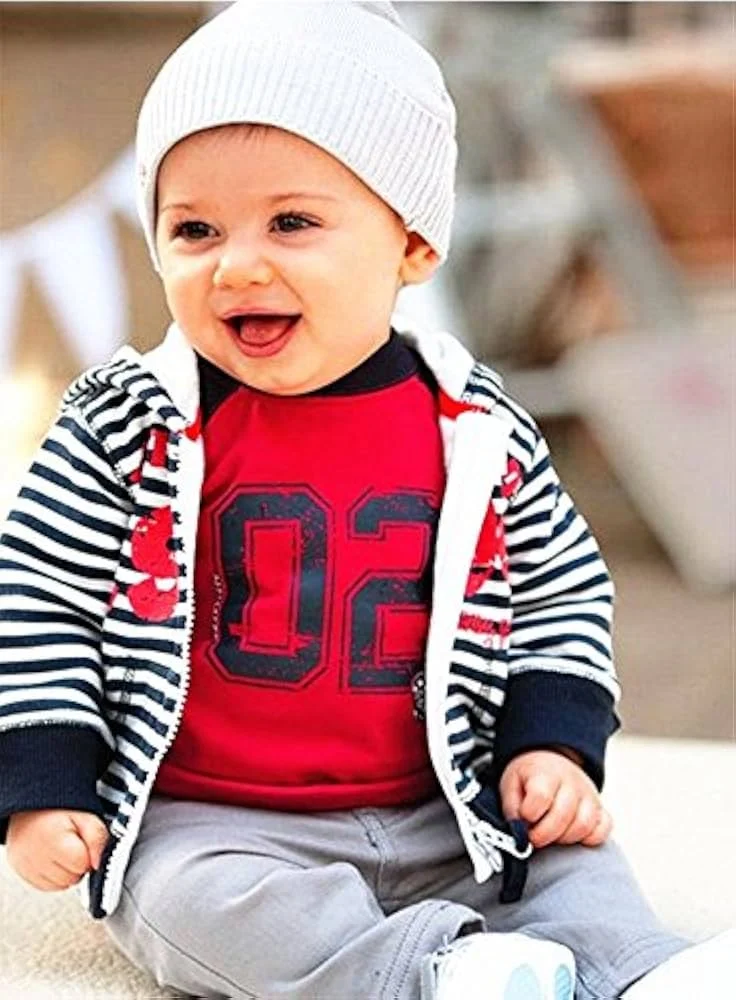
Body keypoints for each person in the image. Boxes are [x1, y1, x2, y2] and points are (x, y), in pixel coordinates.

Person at [0, 3, 732, 998]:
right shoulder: (129, 424)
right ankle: (443, 973)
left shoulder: (474, 426)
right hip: (220, 820)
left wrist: (550, 744)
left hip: (445, 808)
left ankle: (640, 972)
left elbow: (559, 592)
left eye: (292, 222)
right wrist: (44, 775)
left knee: (571, 860)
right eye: (194, 229)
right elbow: (35, 597)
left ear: (412, 245)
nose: (237, 263)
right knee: (185, 905)